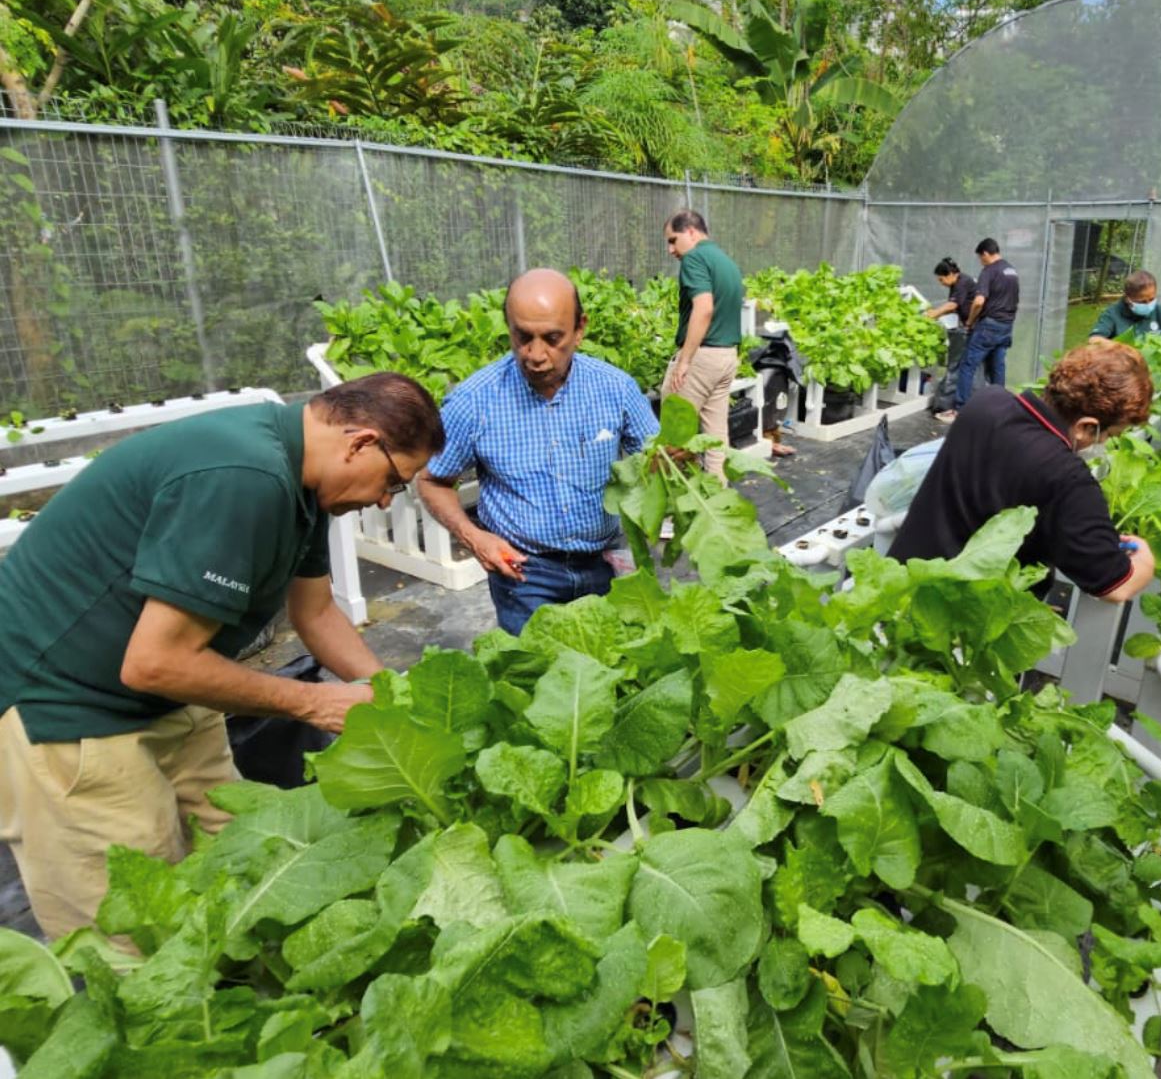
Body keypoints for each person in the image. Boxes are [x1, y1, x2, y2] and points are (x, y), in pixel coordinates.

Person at [0, 372, 445, 938]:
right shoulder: (244, 476)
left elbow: (316, 614)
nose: (384, 498)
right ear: (359, 443)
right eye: (392, 481)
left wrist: (391, 696)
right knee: (138, 926)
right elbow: (153, 662)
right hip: (70, 707)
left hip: (174, 687)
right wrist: (314, 703)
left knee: (242, 851)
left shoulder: (308, 483)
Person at [419, 269, 658, 634]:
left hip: (606, 562)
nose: (535, 355)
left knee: (617, 675)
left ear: (580, 329)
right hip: (524, 574)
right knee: (534, 678)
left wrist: (674, 460)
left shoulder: (616, 389)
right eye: (522, 337)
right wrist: (474, 537)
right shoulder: (475, 400)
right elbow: (433, 481)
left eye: (552, 338)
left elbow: (656, 460)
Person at [891, 341, 1157, 603]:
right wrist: (1145, 561)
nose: (1103, 443)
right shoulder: (1068, 477)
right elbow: (1115, 586)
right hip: (961, 625)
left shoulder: (986, 402)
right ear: (1085, 427)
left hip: (900, 586)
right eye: (1108, 434)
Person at [663, 209, 744, 479]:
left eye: (673, 240)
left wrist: (684, 361)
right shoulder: (727, 262)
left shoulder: (694, 258)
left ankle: (677, 512)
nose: (670, 249)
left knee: (674, 439)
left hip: (702, 357)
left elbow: (704, 308)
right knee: (716, 438)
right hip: (726, 357)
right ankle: (717, 503)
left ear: (691, 232)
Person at [939, 237, 1020, 423]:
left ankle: (960, 410)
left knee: (967, 365)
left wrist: (970, 321)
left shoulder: (989, 271)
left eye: (980, 258)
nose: (980, 261)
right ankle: (1001, 408)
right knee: (998, 367)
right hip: (1006, 325)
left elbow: (979, 301)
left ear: (985, 254)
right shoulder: (1011, 270)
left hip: (989, 325)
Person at [925, 257, 977, 414]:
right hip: (969, 326)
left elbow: (953, 305)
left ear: (950, 274)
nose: (941, 283)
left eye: (941, 279)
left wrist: (934, 313)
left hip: (972, 327)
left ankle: (948, 405)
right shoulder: (959, 283)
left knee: (957, 365)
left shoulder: (962, 282)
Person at [1089, 269, 1161, 342]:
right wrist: (1124, 350)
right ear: (1128, 299)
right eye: (1142, 302)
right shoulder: (1112, 314)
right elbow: (1095, 340)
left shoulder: (1160, 311)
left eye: (1152, 299)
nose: (1149, 304)